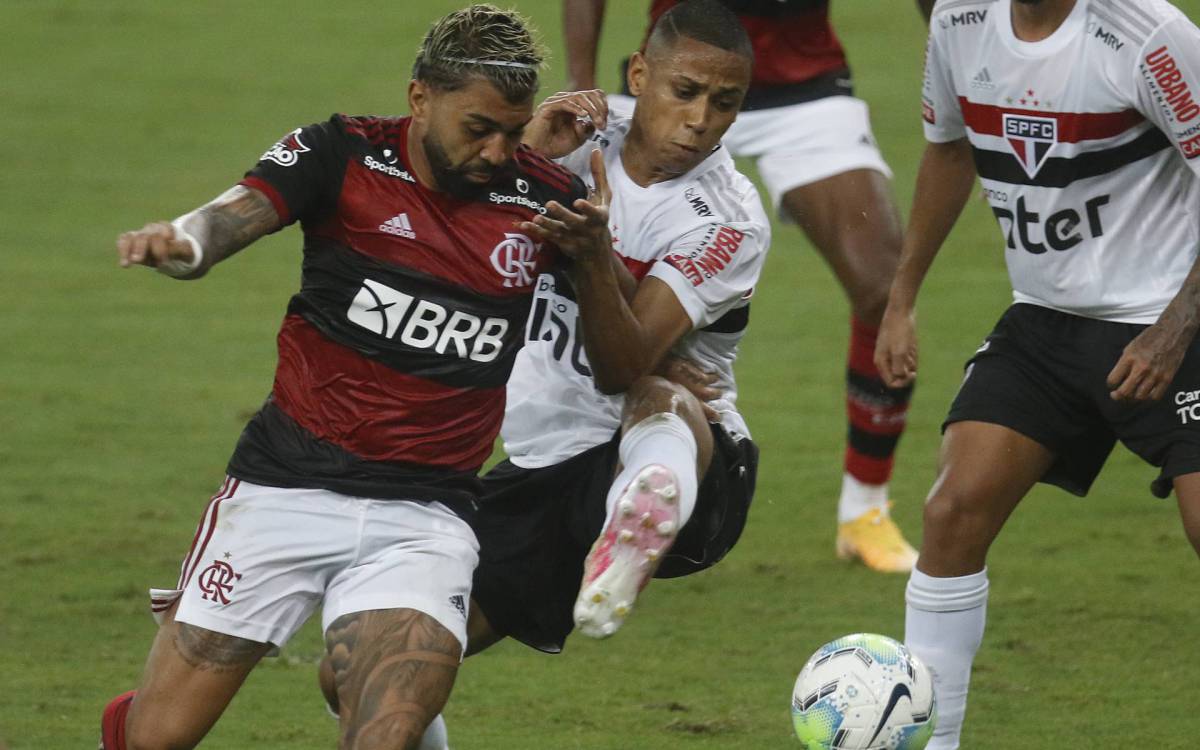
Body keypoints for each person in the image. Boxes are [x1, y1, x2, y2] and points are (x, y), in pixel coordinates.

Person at [98, 6, 587, 750]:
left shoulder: (543, 204)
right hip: (282, 488)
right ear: (420, 97)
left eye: (513, 134)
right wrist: (183, 243)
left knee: (381, 736)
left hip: (424, 514)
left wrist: (600, 255)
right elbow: (232, 216)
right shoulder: (342, 154)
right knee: (153, 739)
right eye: (478, 128)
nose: (496, 152)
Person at [317, 0, 767, 733]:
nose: (701, 121)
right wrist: (527, 143)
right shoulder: (578, 136)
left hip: (694, 470)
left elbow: (622, 365)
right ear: (640, 74)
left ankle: (646, 504)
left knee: (661, 392)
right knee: (354, 674)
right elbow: (448, 190)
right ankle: (623, 515)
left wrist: (590, 253)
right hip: (548, 469)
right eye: (684, 92)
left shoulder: (729, 218)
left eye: (727, 103)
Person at [875, 0, 1200, 746]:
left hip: (1171, 318)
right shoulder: (958, 22)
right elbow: (949, 149)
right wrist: (902, 299)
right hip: (1046, 323)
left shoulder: (1149, 37)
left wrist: (1176, 327)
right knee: (953, 511)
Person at [562, 0, 934, 573]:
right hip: (683, 74)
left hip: (804, 84)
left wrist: (963, 62)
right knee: (581, 233)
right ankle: (627, 436)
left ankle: (865, 510)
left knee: (883, 290)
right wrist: (582, 83)